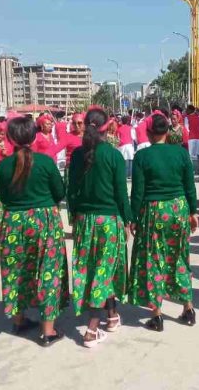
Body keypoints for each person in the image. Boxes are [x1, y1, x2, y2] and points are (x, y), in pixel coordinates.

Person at [0, 117, 68, 347]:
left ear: (10, 138)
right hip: (44, 220)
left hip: (14, 221)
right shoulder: (45, 162)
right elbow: (59, 192)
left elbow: (3, 196)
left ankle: (18, 320)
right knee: (49, 271)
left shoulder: (4, 166)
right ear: (35, 135)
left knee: (15, 270)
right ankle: (47, 330)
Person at [128, 113, 198, 331]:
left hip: (154, 210)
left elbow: (137, 191)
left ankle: (157, 315)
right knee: (180, 256)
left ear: (149, 133)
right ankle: (188, 308)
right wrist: (193, 211)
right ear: (167, 132)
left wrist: (133, 217)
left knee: (153, 259)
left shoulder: (142, 156)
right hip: (178, 207)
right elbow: (189, 185)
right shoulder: (181, 153)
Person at [67, 108, 131, 348]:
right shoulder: (113, 155)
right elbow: (121, 193)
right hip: (109, 220)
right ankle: (92, 329)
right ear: (108, 127)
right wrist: (128, 219)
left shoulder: (78, 154)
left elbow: (71, 190)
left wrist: (74, 216)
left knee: (95, 268)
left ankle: (112, 315)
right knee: (103, 270)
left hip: (85, 219)